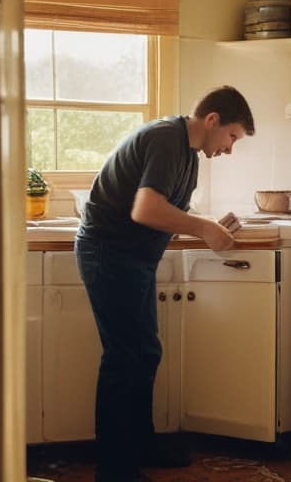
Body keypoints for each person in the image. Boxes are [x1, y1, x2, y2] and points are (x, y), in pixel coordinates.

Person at [74, 86, 255, 482]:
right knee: (124, 357)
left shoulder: (188, 153)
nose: (229, 149)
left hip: (132, 258)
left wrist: (210, 228)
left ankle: (140, 445)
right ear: (212, 121)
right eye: (232, 137)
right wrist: (204, 227)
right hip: (109, 253)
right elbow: (145, 209)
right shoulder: (165, 138)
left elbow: (168, 213)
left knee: (145, 352)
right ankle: (115, 469)